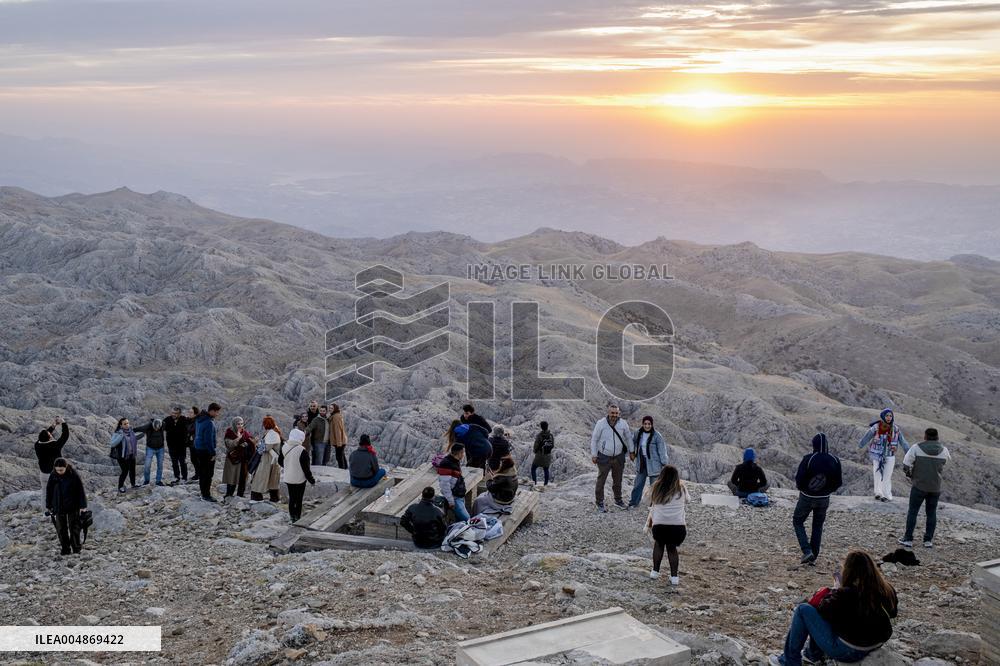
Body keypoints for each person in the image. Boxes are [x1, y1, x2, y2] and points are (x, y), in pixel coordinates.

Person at [768, 551, 898, 666]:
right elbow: (892, 613)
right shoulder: (886, 589)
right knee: (837, 618)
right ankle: (812, 655)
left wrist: (834, 591)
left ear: (849, 570)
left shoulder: (846, 593)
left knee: (803, 610)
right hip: (875, 643)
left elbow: (822, 610)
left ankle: (789, 661)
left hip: (849, 650)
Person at [794, 433, 843, 565]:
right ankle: (813, 555)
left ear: (814, 445)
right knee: (817, 525)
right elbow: (838, 482)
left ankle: (807, 550)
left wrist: (804, 489)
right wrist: (827, 490)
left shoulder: (809, 459)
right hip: (824, 498)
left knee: (798, 521)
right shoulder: (835, 460)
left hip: (807, 497)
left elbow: (799, 479)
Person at [899, 427, 951, 548]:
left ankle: (908, 539)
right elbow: (946, 464)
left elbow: (906, 463)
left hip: (919, 485)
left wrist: (910, 475)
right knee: (931, 513)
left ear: (925, 436)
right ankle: (928, 541)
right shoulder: (944, 450)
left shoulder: (916, 448)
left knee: (913, 512)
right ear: (937, 437)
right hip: (935, 487)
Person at [646, 465, 689, 585]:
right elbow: (688, 500)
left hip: (659, 526)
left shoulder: (656, 487)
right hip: (678, 528)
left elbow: (646, 500)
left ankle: (655, 572)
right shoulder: (682, 489)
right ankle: (674, 577)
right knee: (672, 548)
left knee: (659, 545)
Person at [858, 408, 910, 502]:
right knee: (877, 473)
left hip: (890, 455)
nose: (889, 418)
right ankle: (878, 493)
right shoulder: (876, 427)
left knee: (887, 475)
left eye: (890, 416)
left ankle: (886, 495)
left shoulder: (895, 429)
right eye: (887, 416)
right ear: (883, 416)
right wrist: (860, 445)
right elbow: (867, 436)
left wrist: (908, 451)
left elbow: (902, 441)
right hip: (877, 455)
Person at [590, 404, 633, 512]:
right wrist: (594, 454)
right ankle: (599, 502)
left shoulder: (623, 424)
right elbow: (594, 439)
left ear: (619, 413)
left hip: (618, 456)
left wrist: (632, 451)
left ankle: (618, 500)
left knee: (618, 480)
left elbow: (628, 438)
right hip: (604, 456)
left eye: (616, 413)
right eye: (612, 413)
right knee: (601, 480)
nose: (614, 415)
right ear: (608, 413)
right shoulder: (601, 424)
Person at [45, 458, 87, 556]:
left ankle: (76, 548)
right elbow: (49, 491)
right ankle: (65, 549)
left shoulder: (74, 475)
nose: (59, 472)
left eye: (61, 470)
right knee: (61, 529)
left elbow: (80, 490)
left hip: (73, 505)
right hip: (58, 506)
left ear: (66, 467)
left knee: (74, 528)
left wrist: (83, 506)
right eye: (57, 470)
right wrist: (48, 505)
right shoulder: (53, 475)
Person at [629, 416, 669, 508]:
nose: (647, 426)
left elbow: (662, 450)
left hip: (654, 464)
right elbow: (631, 442)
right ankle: (634, 503)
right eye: (645, 424)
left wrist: (664, 462)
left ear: (652, 424)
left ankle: (655, 505)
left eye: (649, 424)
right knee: (638, 484)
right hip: (642, 463)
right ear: (642, 424)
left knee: (654, 487)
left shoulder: (657, 436)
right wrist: (632, 452)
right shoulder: (638, 433)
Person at [281, 428, 315, 523]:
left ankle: (292, 517)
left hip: (288, 477)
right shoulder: (302, 451)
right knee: (299, 499)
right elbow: (306, 469)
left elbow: (280, 461)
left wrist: (288, 466)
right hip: (299, 479)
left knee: (292, 498)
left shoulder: (284, 447)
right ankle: (298, 518)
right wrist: (311, 480)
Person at [192, 403, 221, 502]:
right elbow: (208, 440)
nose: (217, 414)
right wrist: (212, 453)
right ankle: (206, 495)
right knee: (208, 473)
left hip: (198, 449)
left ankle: (203, 493)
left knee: (202, 472)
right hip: (206, 451)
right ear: (212, 411)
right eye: (216, 412)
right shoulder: (209, 422)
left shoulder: (199, 419)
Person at [250, 416, 282, 502]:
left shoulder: (272, 434)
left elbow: (266, 448)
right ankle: (275, 498)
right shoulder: (272, 433)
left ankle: (256, 497)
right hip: (272, 459)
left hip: (268, 459)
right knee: (273, 480)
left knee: (259, 477)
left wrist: (257, 443)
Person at [222, 417, 255, 499]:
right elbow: (229, 445)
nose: (240, 426)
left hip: (243, 459)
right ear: (234, 424)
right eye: (238, 424)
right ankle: (229, 495)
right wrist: (238, 439)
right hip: (233, 458)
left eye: (241, 424)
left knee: (242, 477)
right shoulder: (229, 433)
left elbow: (250, 441)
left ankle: (240, 495)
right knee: (232, 477)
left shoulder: (245, 433)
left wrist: (252, 442)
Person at [34, 417, 70, 492]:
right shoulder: (55, 445)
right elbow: (65, 435)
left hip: (43, 474)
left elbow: (43, 437)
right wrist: (63, 423)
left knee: (45, 494)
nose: (51, 435)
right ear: (49, 438)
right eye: (50, 435)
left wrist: (53, 426)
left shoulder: (37, 445)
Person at [436, 442, 470, 522]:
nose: (464, 454)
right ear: (460, 453)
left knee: (460, 520)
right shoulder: (446, 464)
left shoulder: (454, 461)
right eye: (463, 452)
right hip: (455, 498)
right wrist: (451, 501)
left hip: (459, 495)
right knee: (467, 519)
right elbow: (444, 485)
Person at [110, 417, 145, 493]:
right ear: (121, 425)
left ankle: (133, 484)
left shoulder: (131, 432)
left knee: (132, 470)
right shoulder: (117, 433)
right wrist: (121, 436)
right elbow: (112, 444)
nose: (127, 425)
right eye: (125, 424)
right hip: (122, 456)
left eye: (128, 423)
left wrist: (144, 433)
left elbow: (134, 439)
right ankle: (120, 487)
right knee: (125, 471)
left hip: (131, 455)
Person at [136, 418, 167, 487]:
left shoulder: (163, 425)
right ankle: (146, 481)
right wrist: (128, 430)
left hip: (160, 449)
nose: (156, 429)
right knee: (147, 465)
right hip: (150, 448)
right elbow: (139, 428)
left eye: (158, 428)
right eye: (155, 428)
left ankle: (158, 481)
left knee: (160, 465)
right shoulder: (148, 426)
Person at [163, 407, 189, 485]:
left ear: (180, 414)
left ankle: (184, 477)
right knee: (174, 462)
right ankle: (176, 477)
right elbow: (160, 426)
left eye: (175, 413)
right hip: (171, 446)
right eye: (172, 413)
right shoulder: (167, 419)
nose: (173, 414)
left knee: (182, 462)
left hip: (182, 446)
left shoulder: (184, 419)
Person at [531, 421, 554, 487]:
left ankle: (534, 483)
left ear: (541, 427)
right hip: (548, 455)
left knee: (533, 468)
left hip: (540, 455)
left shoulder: (539, 435)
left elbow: (536, 446)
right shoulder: (551, 435)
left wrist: (535, 451)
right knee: (546, 469)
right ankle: (545, 484)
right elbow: (552, 445)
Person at [327, 403, 348, 469]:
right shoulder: (334, 415)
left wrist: (339, 443)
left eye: (332, 408)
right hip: (341, 440)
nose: (330, 409)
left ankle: (342, 470)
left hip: (340, 441)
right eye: (329, 408)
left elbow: (338, 430)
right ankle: (345, 469)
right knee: (342, 455)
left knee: (339, 456)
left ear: (335, 409)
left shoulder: (336, 417)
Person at [187, 406, 201, 482]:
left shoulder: (197, 421)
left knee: (196, 459)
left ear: (195, 414)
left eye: (191, 412)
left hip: (196, 443)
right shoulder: (190, 420)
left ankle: (199, 475)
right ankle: (197, 474)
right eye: (189, 412)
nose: (189, 413)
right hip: (191, 443)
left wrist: (188, 431)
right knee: (193, 459)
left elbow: (192, 430)